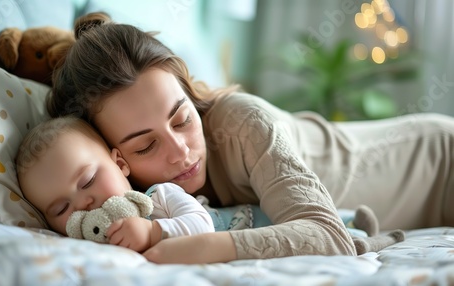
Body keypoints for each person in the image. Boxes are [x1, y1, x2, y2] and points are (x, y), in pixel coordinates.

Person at [48, 12, 454, 264]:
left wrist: (206, 247)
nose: (181, 151)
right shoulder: (126, 193)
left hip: (440, 160)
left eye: (182, 118)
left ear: (191, 96)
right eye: (145, 145)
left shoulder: (241, 123)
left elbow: (329, 235)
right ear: (113, 156)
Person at [15, 116, 215, 253]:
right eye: (61, 209)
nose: (83, 204)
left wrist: (151, 232)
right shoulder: (86, 249)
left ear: (119, 164)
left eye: (88, 181)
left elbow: (204, 228)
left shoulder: (160, 196)